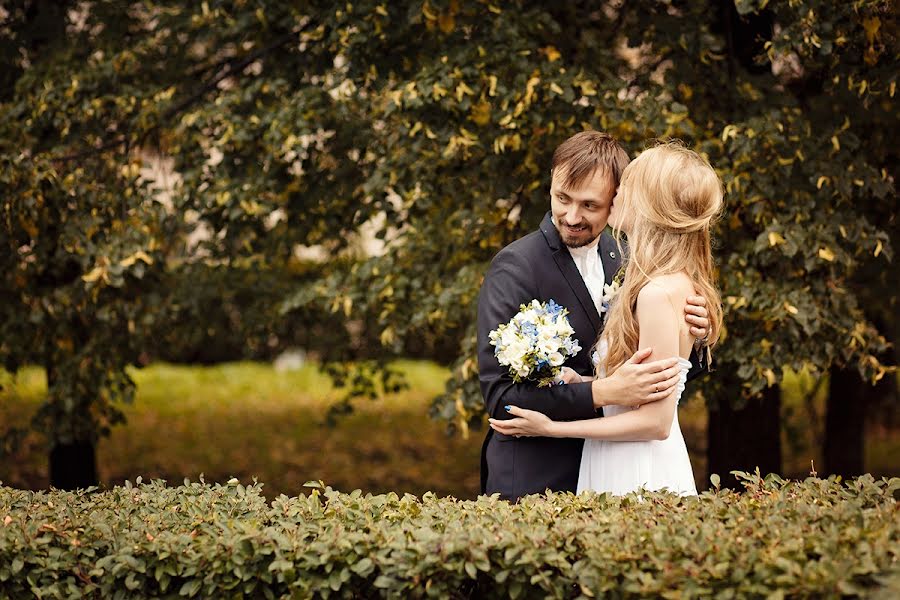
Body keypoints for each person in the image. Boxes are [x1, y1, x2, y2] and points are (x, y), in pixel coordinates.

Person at [477, 132, 711, 501]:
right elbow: (501, 397)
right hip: (538, 477)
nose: (571, 216)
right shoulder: (516, 267)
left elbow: (658, 379)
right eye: (562, 199)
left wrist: (694, 338)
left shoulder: (633, 261)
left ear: (617, 198)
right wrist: (602, 390)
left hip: (615, 465)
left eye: (589, 205)